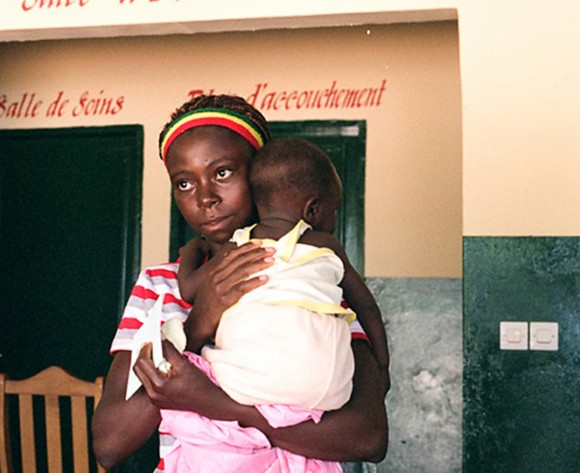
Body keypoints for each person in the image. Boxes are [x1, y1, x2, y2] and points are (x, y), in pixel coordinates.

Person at [92, 94, 388, 472]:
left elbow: (368, 437)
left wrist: (217, 404)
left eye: (222, 173)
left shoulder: (311, 274)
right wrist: (198, 323)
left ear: (261, 174)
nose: (205, 198)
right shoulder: (160, 285)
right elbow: (110, 444)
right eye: (184, 183)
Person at [176, 137, 390, 412]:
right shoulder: (326, 245)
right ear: (312, 210)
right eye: (333, 210)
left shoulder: (238, 246)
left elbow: (188, 289)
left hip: (240, 384)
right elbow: (368, 308)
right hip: (329, 387)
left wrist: (193, 250)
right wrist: (383, 365)